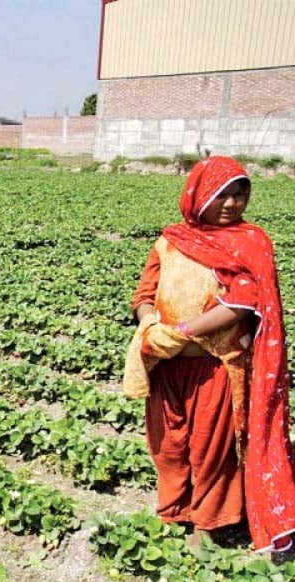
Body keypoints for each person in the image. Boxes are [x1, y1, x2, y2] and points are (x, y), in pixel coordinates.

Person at [123, 156, 295, 552]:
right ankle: (172, 512)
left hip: (215, 367)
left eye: (240, 193)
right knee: (167, 446)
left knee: (210, 449)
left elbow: (243, 302)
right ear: (199, 194)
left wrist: (183, 332)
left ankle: (206, 526)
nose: (233, 203)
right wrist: (150, 326)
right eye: (223, 194)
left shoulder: (249, 243)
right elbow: (144, 295)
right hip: (165, 365)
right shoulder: (169, 241)